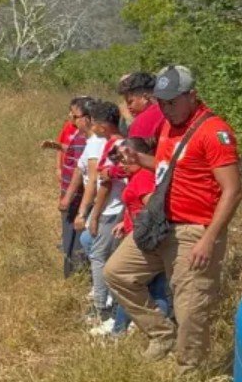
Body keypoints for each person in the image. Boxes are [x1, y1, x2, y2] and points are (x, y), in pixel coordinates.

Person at [104, 66, 242, 371]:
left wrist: (209, 239)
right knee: (116, 273)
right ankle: (161, 333)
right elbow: (169, 167)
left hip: (195, 229)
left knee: (190, 307)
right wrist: (140, 160)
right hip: (162, 224)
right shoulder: (168, 126)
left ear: (191, 96)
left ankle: (190, 372)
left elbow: (233, 191)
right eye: (161, 102)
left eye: (171, 102)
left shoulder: (213, 132)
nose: (166, 109)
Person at [94, 137, 170, 337]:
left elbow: (153, 209)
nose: (120, 165)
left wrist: (140, 229)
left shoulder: (143, 177)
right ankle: (132, 329)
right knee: (144, 287)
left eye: (123, 160)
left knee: (138, 285)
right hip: (139, 236)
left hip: (146, 242)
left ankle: (130, 331)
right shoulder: (138, 176)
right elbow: (136, 206)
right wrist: (125, 223)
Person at [79, 101, 126, 322]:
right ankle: (108, 302)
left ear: (103, 126)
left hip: (112, 210)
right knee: (94, 247)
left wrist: (95, 215)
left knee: (99, 257)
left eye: (95, 123)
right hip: (114, 208)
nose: (92, 127)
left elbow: (105, 184)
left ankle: (102, 307)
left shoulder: (116, 147)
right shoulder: (117, 144)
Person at [45, 97, 92, 278]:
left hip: (76, 199)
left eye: (75, 115)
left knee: (75, 240)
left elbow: (79, 172)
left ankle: (75, 275)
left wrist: (68, 198)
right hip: (73, 197)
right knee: (70, 238)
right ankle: (72, 274)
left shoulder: (86, 140)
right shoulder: (80, 135)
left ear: (87, 117)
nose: (71, 118)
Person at [119, 72, 165, 144]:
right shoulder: (172, 110)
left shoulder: (142, 122)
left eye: (130, 102)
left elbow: (135, 149)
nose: (128, 107)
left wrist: (131, 121)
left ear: (145, 97)